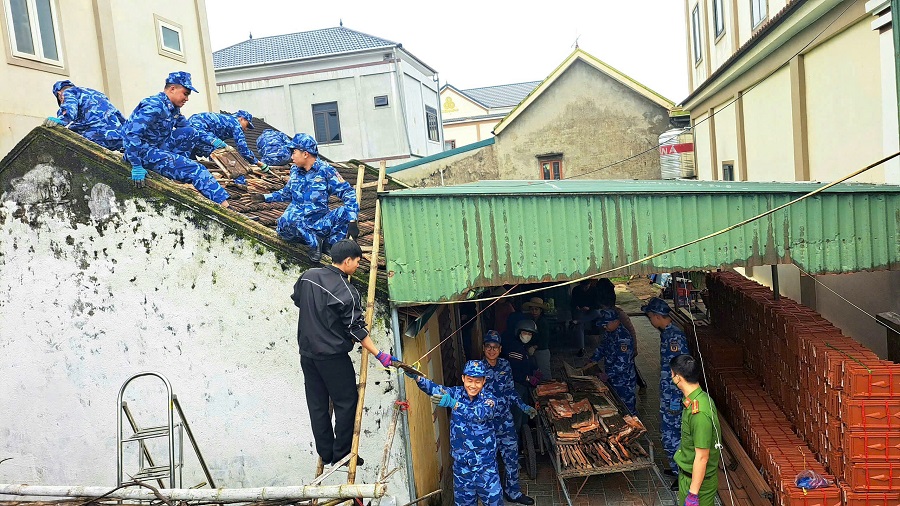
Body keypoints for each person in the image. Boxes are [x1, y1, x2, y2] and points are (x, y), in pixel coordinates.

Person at [291, 239, 398, 467]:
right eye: (357, 262)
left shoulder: (308, 276)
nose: (358, 266)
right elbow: (356, 329)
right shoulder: (346, 292)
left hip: (307, 354)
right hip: (332, 358)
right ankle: (341, 453)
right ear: (347, 261)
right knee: (346, 401)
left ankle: (325, 452)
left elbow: (298, 300)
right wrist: (379, 354)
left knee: (317, 403)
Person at [122, 71, 230, 206]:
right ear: (172, 89)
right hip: (142, 153)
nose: (187, 99)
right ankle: (227, 208)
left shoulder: (173, 109)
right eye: (185, 93)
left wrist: (213, 141)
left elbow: (189, 128)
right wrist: (136, 165)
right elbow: (132, 134)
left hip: (157, 147)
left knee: (190, 133)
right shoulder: (154, 105)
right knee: (197, 170)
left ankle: (178, 170)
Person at [250, 133, 360, 262]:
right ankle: (314, 243)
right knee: (286, 221)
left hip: (318, 224)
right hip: (297, 226)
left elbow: (348, 192)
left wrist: (353, 221)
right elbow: (287, 193)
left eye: (294, 152)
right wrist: (264, 197)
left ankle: (328, 245)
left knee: (347, 212)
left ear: (305, 154)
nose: (291, 157)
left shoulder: (326, 170)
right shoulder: (295, 171)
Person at [410, 360, 502, 506]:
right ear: (463, 378)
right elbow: (435, 389)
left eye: (478, 381)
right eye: (469, 380)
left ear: (484, 381)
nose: (473, 385)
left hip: (485, 468)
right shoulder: (455, 393)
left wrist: (454, 404)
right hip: (462, 467)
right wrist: (417, 377)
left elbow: (479, 414)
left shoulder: (490, 399)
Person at [481, 331, 536, 505]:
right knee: (489, 462)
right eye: (488, 347)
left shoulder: (505, 365)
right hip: (486, 424)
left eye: (495, 347)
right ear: (483, 348)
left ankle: (513, 492)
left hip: (505, 421)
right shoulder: (477, 369)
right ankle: (492, 497)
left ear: (500, 349)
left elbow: (511, 391)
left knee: (511, 458)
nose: (491, 350)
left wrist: (524, 406)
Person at [642, 297, 690, 487]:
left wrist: (677, 398)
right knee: (668, 432)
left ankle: (683, 475)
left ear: (656, 316)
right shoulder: (667, 334)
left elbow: (682, 369)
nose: (650, 321)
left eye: (650, 317)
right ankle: (676, 467)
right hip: (669, 393)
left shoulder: (674, 337)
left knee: (673, 433)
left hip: (675, 395)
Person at [671, 354, 721, 506]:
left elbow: (702, 457)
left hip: (697, 485)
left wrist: (693, 494)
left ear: (678, 378)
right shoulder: (697, 400)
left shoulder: (699, 413)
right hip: (688, 477)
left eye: (672, 374)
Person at [48, 80, 126, 151]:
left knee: (69, 135)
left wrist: (61, 120)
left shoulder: (68, 92)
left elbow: (70, 109)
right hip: (117, 137)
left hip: (97, 136)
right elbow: (117, 114)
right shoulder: (98, 94)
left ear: (59, 94)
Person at [187, 110, 271, 172]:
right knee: (222, 153)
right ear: (242, 119)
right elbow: (243, 149)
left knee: (190, 158)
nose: (246, 129)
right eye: (247, 125)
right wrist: (259, 163)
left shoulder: (226, 120)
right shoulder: (236, 124)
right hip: (199, 128)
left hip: (189, 130)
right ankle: (239, 181)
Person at [591, 309, 637, 413]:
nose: (604, 327)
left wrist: (607, 375)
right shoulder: (609, 332)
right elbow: (602, 347)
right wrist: (593, 359)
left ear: (616, 321)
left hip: (624, 381)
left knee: (627, 409)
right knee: (615, 405)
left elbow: (622, 363)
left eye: (606, 324)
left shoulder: (623, 338)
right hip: (612, 377)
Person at [501, 319, 543, 435]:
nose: (527, 336)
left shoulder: (523, 347)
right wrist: (528, 378)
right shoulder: (515, 348)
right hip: (515, 386)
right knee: (517, 416)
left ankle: (524, 437)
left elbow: (526, 363)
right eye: (525, 333)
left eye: (530, 334)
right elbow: (514, 370)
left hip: (523, 386)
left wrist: (535, 370)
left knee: (524, 414)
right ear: (519, 333)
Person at [521, 297, 552, 380]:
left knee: (545, 374)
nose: (534, 311)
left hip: (542, 350)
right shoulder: (531, 321)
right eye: (532, 309)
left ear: (540, 310)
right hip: (533, 350)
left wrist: (534, 347)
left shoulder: (543, 322)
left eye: (536, 309)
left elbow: (545, 338)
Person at [571, 279, 602, 357]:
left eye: (586, 287)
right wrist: (577, 306)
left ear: (590, 284)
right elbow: (573, 302)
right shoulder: (576, 290)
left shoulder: (594, 290)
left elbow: (598, 304)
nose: (585, 289)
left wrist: (589, 308)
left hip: (592, 311)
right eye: (583, 287)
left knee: (598, 313)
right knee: (579, 326)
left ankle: (578, 321)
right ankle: (581, 348)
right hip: (581, 311)